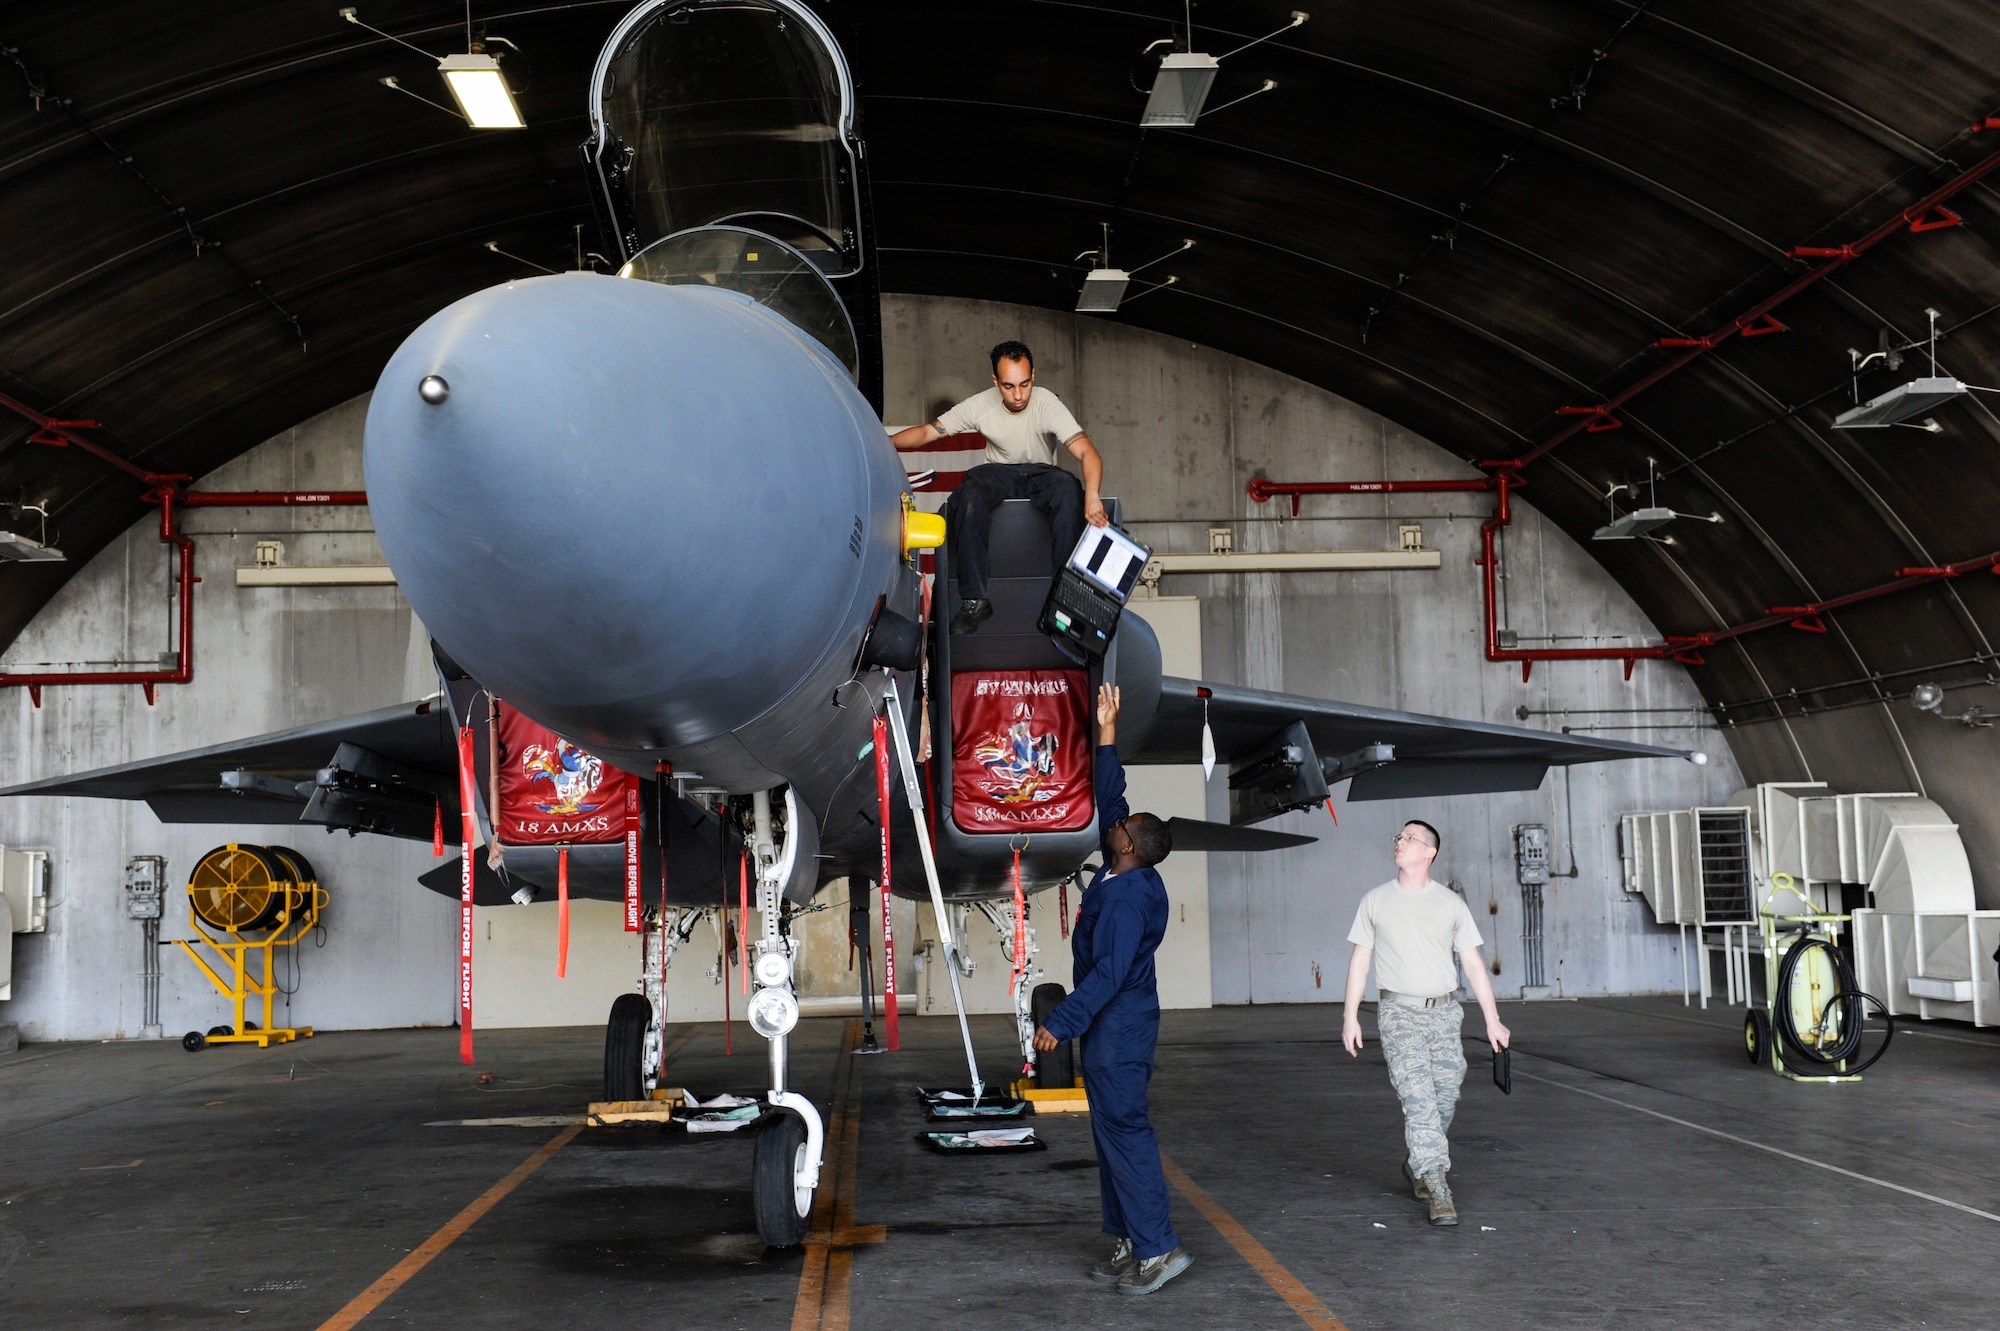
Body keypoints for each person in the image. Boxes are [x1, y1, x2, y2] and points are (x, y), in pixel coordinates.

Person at [1033, 684, 1190, 1296]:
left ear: (1127, 845)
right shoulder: (1128, 872)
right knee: (1110, 1133)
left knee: (1125, 1131)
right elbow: (1109, 794)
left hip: (1117, 1027)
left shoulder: (1126, 898)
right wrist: (1106, 730)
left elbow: (1109, 975)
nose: (1115, 821)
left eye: (1121, 825)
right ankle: (1131, 1239)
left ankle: (1160, 1248)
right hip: (1114, 1024)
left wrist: (1060, 1023)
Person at [1341, 820, 1510, 1227]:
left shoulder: (1449, 904)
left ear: (1429, 853)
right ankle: (1437, 1187)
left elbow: (1472, 964)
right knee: (1419, 1102)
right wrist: (1349, 1016)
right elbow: (1360, 961)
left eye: (1409, 838)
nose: (1400, 842)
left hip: (1445, 1014)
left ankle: (1419, 1160)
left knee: (1444, 1099)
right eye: (1398, 836)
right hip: (1399, 1015)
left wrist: (1493, 1020)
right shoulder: (1376, 900)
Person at [889, 341, 1109, 635]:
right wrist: (883, 443)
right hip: (996, 474)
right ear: (995, 381)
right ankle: (975, 599)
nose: (1018, 395)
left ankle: (1064, 599)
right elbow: (928, 433)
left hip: (1041, 472)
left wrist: (1093, 495)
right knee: (967, 494)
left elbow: (1087, 452)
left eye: (1025, 384)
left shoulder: (1046, 403)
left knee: (1069, 487)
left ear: (1034, 376)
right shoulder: (982, 404)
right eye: (1008, 386)